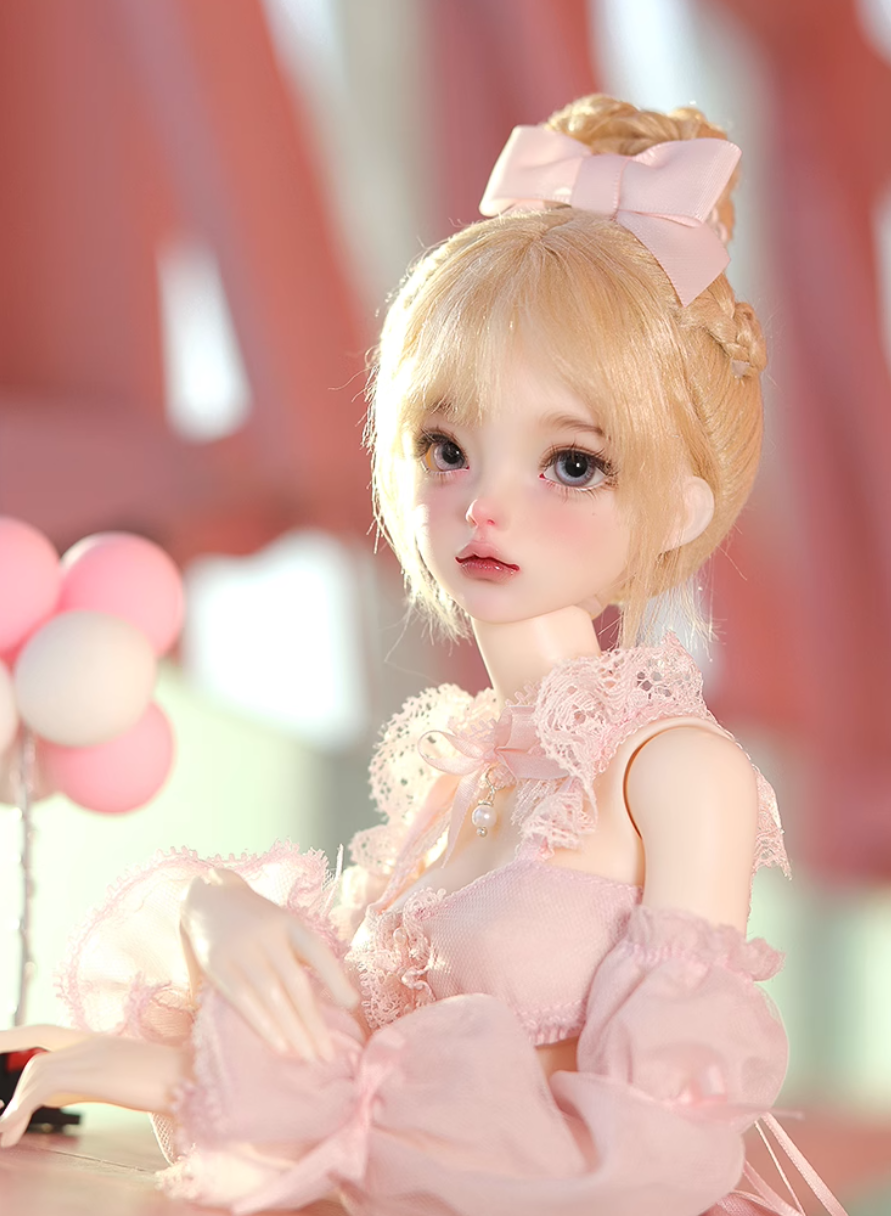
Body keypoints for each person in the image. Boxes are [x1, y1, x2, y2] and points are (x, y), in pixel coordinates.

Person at [0, 95, 846, 1215]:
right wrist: (215, 929)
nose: (483, 505)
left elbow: (647, 1155)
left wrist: (178, 1075)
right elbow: (342, 1081)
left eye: (572, 464)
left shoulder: (677, 772)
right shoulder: (459, 777)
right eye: (445, 447)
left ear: (682, 503)